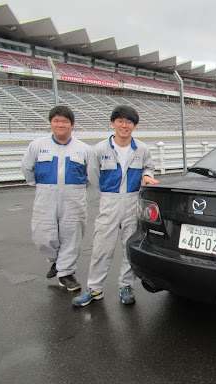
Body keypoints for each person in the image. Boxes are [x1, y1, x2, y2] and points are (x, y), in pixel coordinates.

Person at [72, 105, 159, 307]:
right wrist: (107, 195)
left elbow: (149, 167)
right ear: (113, 123)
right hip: (109, 203)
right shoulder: (100, 149)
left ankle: (126, 286)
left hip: (133, 202)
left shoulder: (142, 149)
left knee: (129, 246)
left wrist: (147, 175)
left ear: (134, 126)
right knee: (102, 248)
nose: (124, 125)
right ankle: (95, 288)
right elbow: (93, 175)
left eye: (129, 122)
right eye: (120, 121)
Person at [21, 105, 91, 291]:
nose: (60, 125)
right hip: (46, 196)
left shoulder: (83, 149)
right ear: (51, 123)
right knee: (43, 236)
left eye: (65, 121)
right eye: (56, 121)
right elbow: (27, 168)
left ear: (72, 125)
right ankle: (56, 261)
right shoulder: (37, 146)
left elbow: (90, 175)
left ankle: (66, 273)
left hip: (74, 197)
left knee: (72, 235)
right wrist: (38, 185)